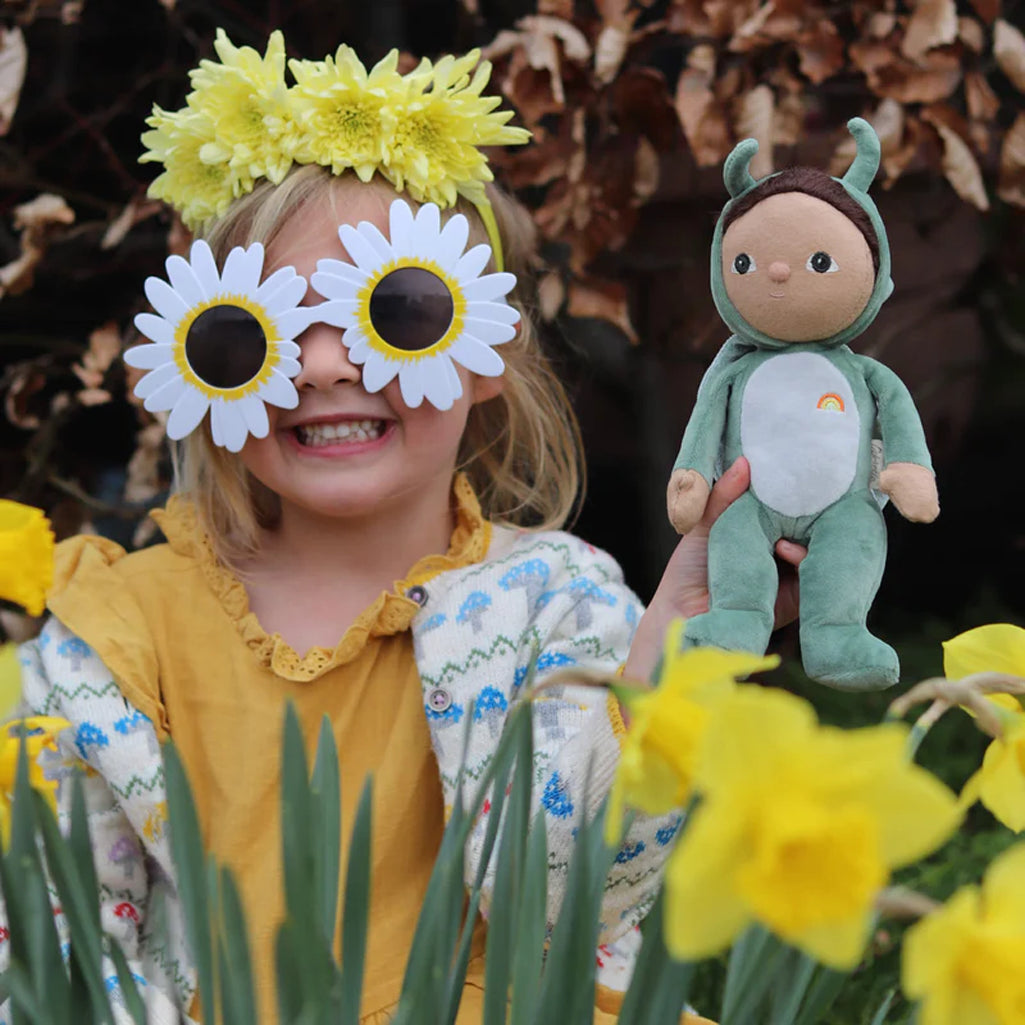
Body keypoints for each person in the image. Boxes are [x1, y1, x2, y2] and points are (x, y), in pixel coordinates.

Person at [9, 32, 803, 1025]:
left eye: (399, 310)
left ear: (487, 354)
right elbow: (65, 927)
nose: (326, 362)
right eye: (256, 327)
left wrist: (670, 648)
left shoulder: (556, 600)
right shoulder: (123, 630)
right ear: (196, 366)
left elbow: (582, 888)